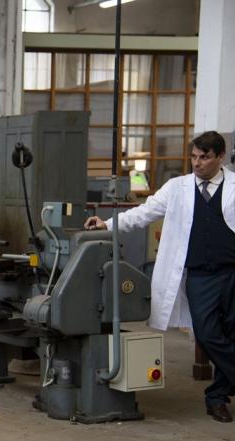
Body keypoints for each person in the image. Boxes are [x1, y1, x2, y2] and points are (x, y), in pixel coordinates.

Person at [84, 131, 235, 423]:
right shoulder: (177, 188)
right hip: (200, 276)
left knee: (232, 335)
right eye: (193, 156)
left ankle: (216, 398)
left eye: (204, 157)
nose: (197, 163)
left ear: (220, 157)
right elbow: (144, 212)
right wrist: (107, 223)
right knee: (207, 334)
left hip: (232, 272)